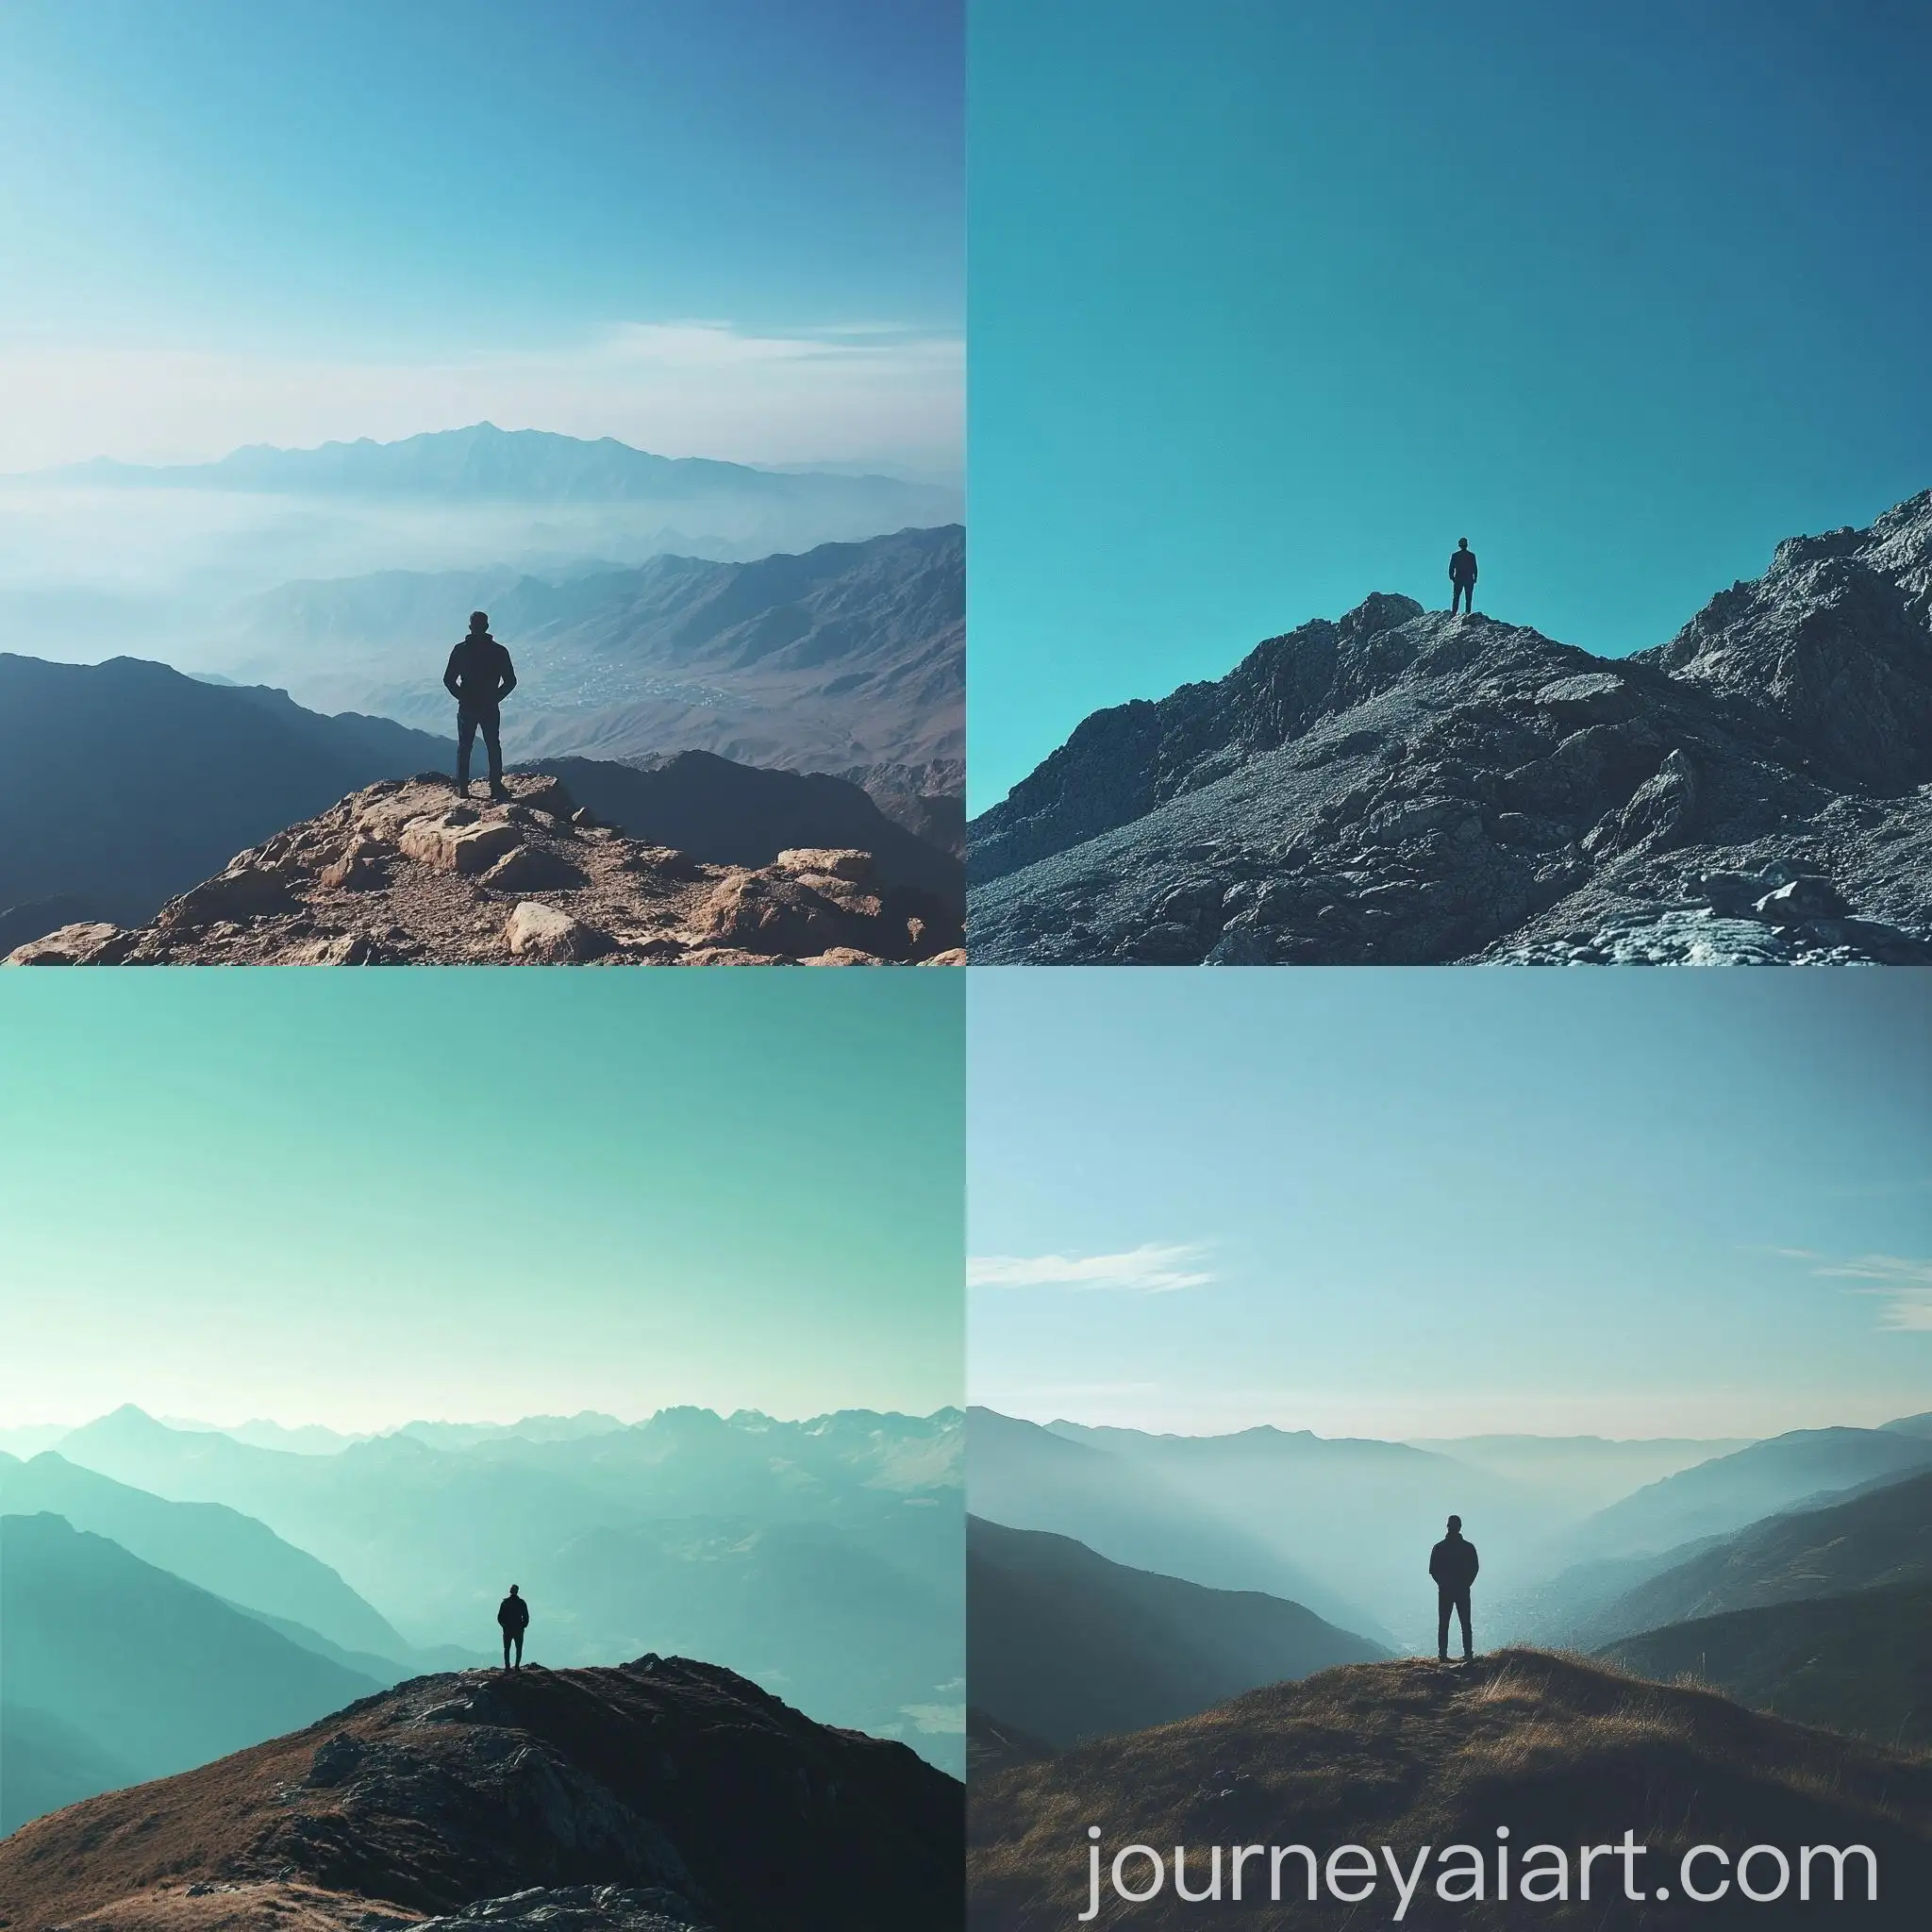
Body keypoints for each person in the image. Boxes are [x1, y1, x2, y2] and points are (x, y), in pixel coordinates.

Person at [443, 611, 518, 800]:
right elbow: (510, 681)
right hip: (489, 706)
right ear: (487, 627)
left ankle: (463, 789)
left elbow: (448, 680)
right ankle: (495, 786)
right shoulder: (499, 651)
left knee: (465, 746)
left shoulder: (460, 650)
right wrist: (495, 698)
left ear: (470, 627)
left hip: (467, 707)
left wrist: (463, 697)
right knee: (493, 745)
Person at [1429, 1514, 1478, 1661]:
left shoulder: (1439, 1547)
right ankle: (1468, 1653)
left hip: (1445, 1591)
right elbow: (1474, 1568)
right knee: (1465, 1623)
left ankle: (1443, 1654)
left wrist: (1442, 1583)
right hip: (1462, 1590)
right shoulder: (1468, 1548)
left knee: (1444, 1623)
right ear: (1460, 1527)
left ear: (1448, 1527)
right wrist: (1466, 1583)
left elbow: (1433, 1570)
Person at [496, 1583, 530, 1672]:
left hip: (508, 1629)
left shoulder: (505, 1602)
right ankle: (517, 1667)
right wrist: (523, 1626)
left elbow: (500, 1617)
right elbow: (526, 1617)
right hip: (518, 1629)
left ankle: (508, 1667)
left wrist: (504, 1626)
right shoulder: (521, 1603)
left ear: (510, 1591)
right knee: (518, 1648)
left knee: (507, 1648)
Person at [1448, 539, 1478, 614]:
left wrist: (1452, 577)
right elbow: (1475, 568)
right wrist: (1475, 577)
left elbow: (1451, 567)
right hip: (1467, 578)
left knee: (1457, 597)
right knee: (1467, 597)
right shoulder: (1471, 555)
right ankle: (1466, 612)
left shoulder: (1455, 555)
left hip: (1460, 578)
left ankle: (1454, 613)